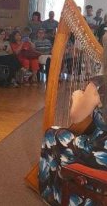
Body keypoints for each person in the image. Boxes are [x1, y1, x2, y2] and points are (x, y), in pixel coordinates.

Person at [39, 34, 107, 205]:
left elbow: (76, 116)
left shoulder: (99, 84)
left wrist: (77, 95)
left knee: (52, 134)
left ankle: (56, 195)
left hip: (102, 154)